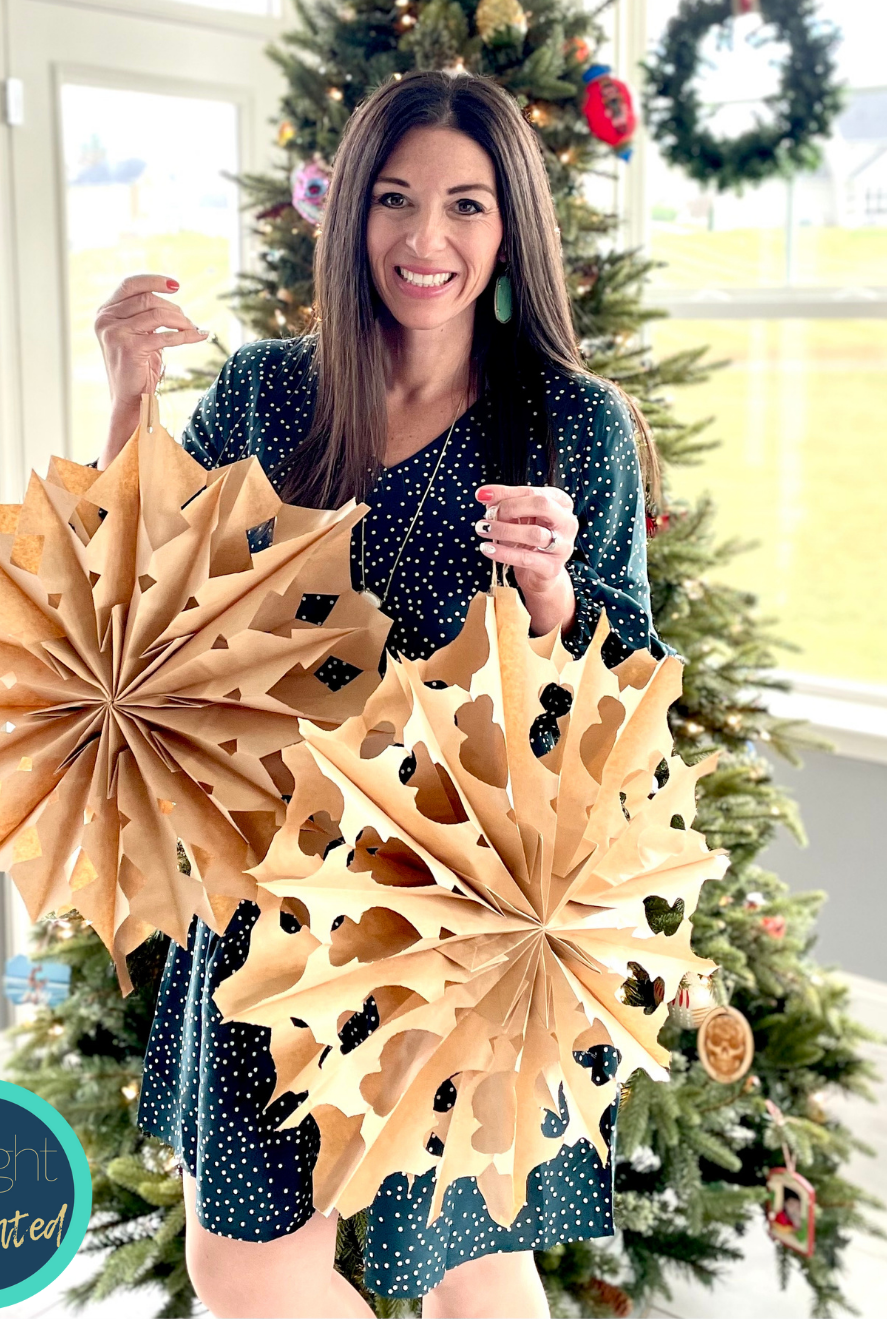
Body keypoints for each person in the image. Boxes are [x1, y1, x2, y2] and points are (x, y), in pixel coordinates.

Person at [94, 69, 666, 1319]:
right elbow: (136, 600)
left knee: (467, 1258)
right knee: (244, 1268)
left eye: (466, 206)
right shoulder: (265, 393)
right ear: (351, 214)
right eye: (396, 201)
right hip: (262, 894)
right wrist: (131, 400)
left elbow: (629, 691)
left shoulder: (574, 426)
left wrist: (559, 592)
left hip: (454, 913)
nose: (426, 240)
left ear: (508, 224)